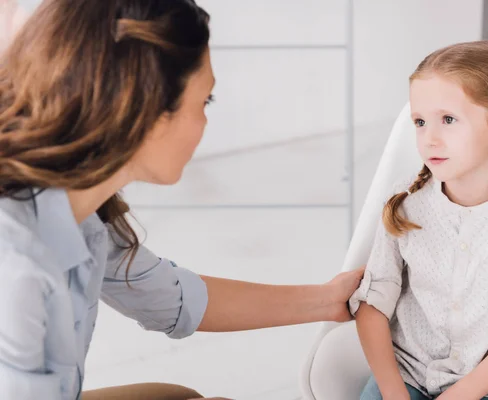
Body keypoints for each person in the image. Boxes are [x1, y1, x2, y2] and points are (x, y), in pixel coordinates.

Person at [0, 1, 365, 399]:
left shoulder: (80, 209)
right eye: (204, 101)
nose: (206, 123)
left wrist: (328, 300)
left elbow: (171, 297)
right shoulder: (19, 270)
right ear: (147, 111)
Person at [351, 41, 488, 400]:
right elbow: (373, 304)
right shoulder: (405, 203)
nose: (429, 138)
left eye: (448, 120)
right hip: (407, 377)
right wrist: (393, 392)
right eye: (420, 122)